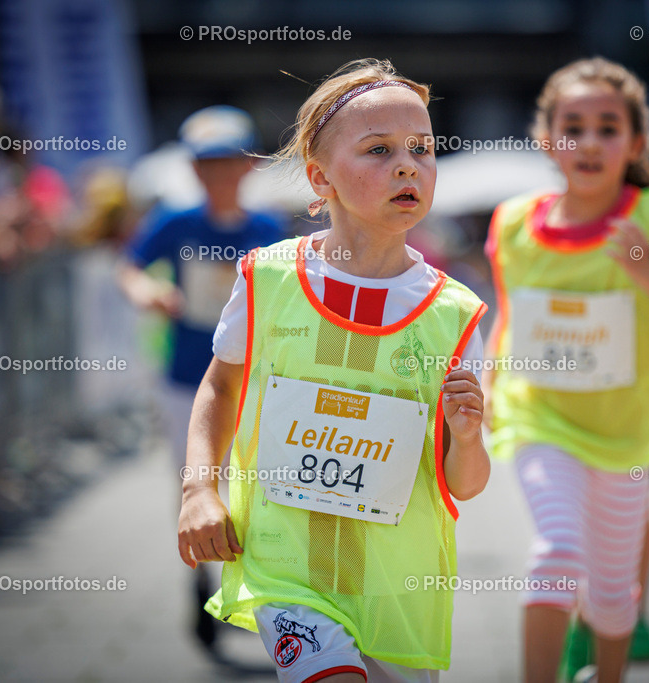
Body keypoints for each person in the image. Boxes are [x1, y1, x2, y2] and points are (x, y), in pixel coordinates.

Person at [177, 59, 490, 683]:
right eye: (378, 150)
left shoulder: (454, 314)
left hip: (397, 590)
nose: (407, 165)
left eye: (421, 149)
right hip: (286, 568)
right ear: (321, 179)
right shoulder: (267, 279)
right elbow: (220, 384)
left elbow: (468, 482)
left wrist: (471, 435)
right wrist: (198, 489)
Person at [484, 57, 649, 683]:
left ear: (636, 142)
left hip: (626, 433)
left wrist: (648, 273)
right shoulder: (510, 222)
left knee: (612, 594)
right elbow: (508, 319)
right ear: (546, 138)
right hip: (541, 418)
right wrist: (486, 385)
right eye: (573, 126)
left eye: (608, 128)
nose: (588, 142)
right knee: (557, 552)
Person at [117, 105, 285, 650]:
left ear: (247, 167)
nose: (216, 174)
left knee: (253, 486)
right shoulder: (174, 223)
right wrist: (146, 291)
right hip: (187, 380)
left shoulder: (267, 230)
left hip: (252, 383)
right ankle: (197, 581)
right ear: (192, 170)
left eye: (226, 162)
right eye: (205, 164)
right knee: (193, 481)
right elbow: (131, 264)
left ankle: (256, 592)